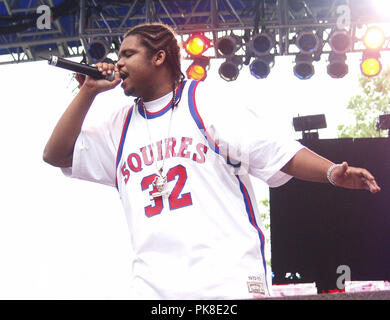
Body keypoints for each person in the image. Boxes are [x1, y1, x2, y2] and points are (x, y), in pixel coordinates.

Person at [43, 23, 381, 300]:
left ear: (159, 56)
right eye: (118, 56)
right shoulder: (119, 126)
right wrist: (88, 91)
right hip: (153, 290)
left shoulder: (204, 101)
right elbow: (56, 154)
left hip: (225, 283)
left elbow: (276, 150)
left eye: (128, 54)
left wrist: (331, 172)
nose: (118, 64)